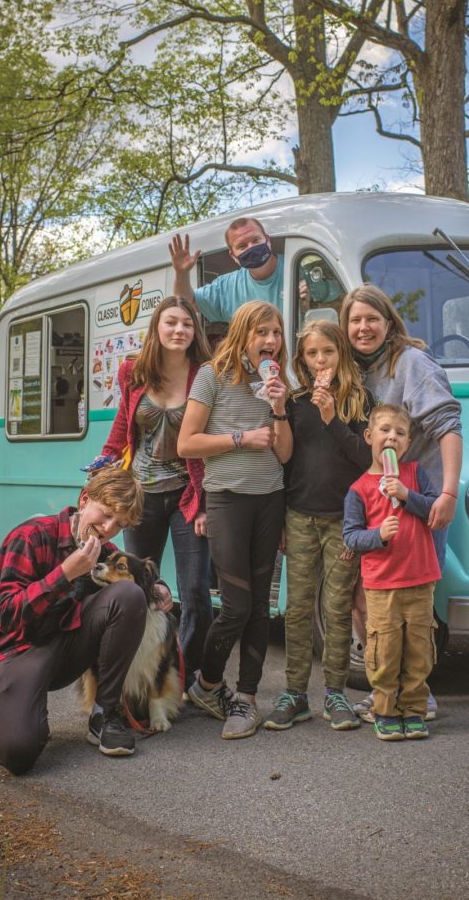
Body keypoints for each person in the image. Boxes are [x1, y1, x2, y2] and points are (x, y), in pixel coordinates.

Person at [0, 469, 172, 774]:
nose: (107, 528)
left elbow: (137, 574)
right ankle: (20, 715)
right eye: (105, 514)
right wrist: (66, 573)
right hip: (16, 652)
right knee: (18, 753)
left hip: (65, 651)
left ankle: (104, 713)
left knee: (129, 594)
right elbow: (7, 615)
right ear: (84, 499)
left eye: (118, 524)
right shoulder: (29, 536)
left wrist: (161, 588)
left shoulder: (103, 551)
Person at [340, 283, 463, 723]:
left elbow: (448, 425)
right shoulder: (352, 370)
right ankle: (383, 691)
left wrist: (447, 493)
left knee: (414, 599)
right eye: (354, 320)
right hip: (373, 503)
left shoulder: (411, 363)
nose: (363, 327)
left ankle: (418, 695)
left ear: (389, 323)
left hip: (418, 499)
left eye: (372, 318)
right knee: (365, 599)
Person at [177, 301, 292, 739]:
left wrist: (280, 409)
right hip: (226, 499)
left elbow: (284, 454)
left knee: (260, 606)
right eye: (262, 332)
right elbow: (187, 443)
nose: (270, 341)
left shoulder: (279, 382)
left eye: (277, 333)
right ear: (244, 333)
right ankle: (207, 684)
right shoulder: (212, 376)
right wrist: (242, 438)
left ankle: (245, 698)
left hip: (270, 500)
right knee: (237, 606)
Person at [263, 320, 372, 733]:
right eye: (312, 354)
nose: (320, 360)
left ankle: (336, 693)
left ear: (341, 353)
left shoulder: (359, 400)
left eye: (328, 351)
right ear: (302, 360)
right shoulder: (293, 402)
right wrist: (283, 523)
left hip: (344, 520)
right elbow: (285, 460)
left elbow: (366, 459)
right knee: (298, 608)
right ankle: (293, 694)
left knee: (337, 607)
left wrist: (333, 418)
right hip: (300, 515)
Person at [98, 295, 213, 683]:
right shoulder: (134, 371)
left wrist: (206, 502)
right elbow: (121, 428)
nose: (179, 330)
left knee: (195, 590)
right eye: (171, 322)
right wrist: (103, 467)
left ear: (194, 332)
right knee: (138, 589)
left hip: (187, 496)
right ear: (157, 328)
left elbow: (208, 440)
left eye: (186, 324)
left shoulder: (205, 374)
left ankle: (190, 673)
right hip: (141, 496)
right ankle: (138, 669)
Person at [343, 403, 441, 740]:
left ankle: (414, 710)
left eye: (400, 433)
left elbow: (434, 509)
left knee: (419, 651)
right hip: (382, 584)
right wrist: (379, 536)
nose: (392, 437)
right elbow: (351, 537)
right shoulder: (359, 489)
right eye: (384, 430)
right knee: (384, 652)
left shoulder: (416, 474)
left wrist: (407, 494)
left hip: (421, 579)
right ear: (370, 436)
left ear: (407, 443)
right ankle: (385, 710)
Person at [169, 217, 284, 323]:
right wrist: (182, 273)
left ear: (267, 240)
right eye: (242, 246)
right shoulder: (227, 287)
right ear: (233, 256)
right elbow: (185, 302)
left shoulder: (296, 262)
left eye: (256, 240)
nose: (251, 248)